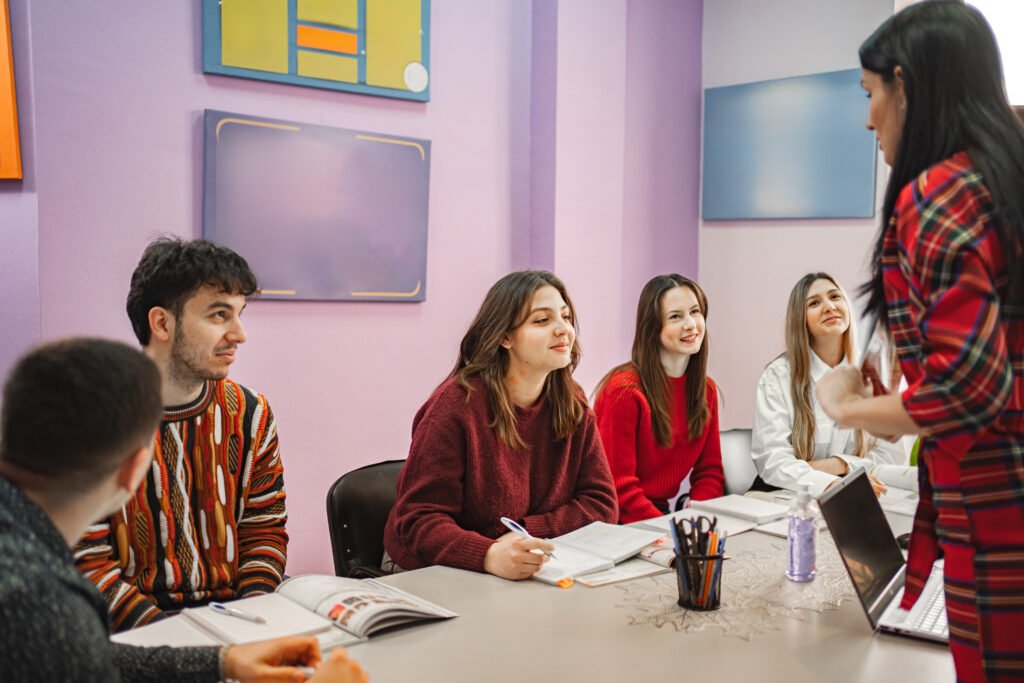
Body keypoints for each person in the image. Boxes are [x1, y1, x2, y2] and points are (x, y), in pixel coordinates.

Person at [815, 3, 1024, 680]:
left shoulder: (940, 193)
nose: (868, 118)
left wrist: (849, 409)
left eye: (871, 94)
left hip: (997, 507)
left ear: (906, 86)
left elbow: (968, 392)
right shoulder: (1001, 179)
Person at [0, 338, 366, 682]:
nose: (236, 334)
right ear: (135, 469)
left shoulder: (24, 543)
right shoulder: (39, 598)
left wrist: (223, 661)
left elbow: (90, 654)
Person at [75, 238, 289, 631]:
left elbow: (264, 531)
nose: (239, 334)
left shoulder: (250, 413)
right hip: (131, 635)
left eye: (240, 314)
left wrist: (254, 621)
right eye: (219, 315)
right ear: (162, 323)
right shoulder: (90, 420)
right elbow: (86, 562)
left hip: (234, 622)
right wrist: (179, 643)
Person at [383, 270, 618, 580]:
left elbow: (601, 504)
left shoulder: (572, 401)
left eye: (565, 317)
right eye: (542, 321)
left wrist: (527, 532)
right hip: (429, 569)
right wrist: (489, 554)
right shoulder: (455, 408)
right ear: (505, 337)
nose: (564, 330)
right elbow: (419, 520)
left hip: (523, 565)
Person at [751, 273, 905, 498]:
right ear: (800, 318)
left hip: (859, 493)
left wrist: (840, 465)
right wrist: (833, 483)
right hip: (788, 497)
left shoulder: (875, 373)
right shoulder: (779, 375)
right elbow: (773, 461)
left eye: (835, 297)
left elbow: (892, 455)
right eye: (814, 303)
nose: (829, 306)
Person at [593, 274, 724, 523]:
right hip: (616, 520)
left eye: (695, 312)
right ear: (653, 328)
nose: (690, 325)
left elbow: (709, 473)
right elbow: (619, 487)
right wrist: (672, 532)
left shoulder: (706, 390)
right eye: (675, 317)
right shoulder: (623, 392)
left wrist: (698, 520)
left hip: (660, 516)